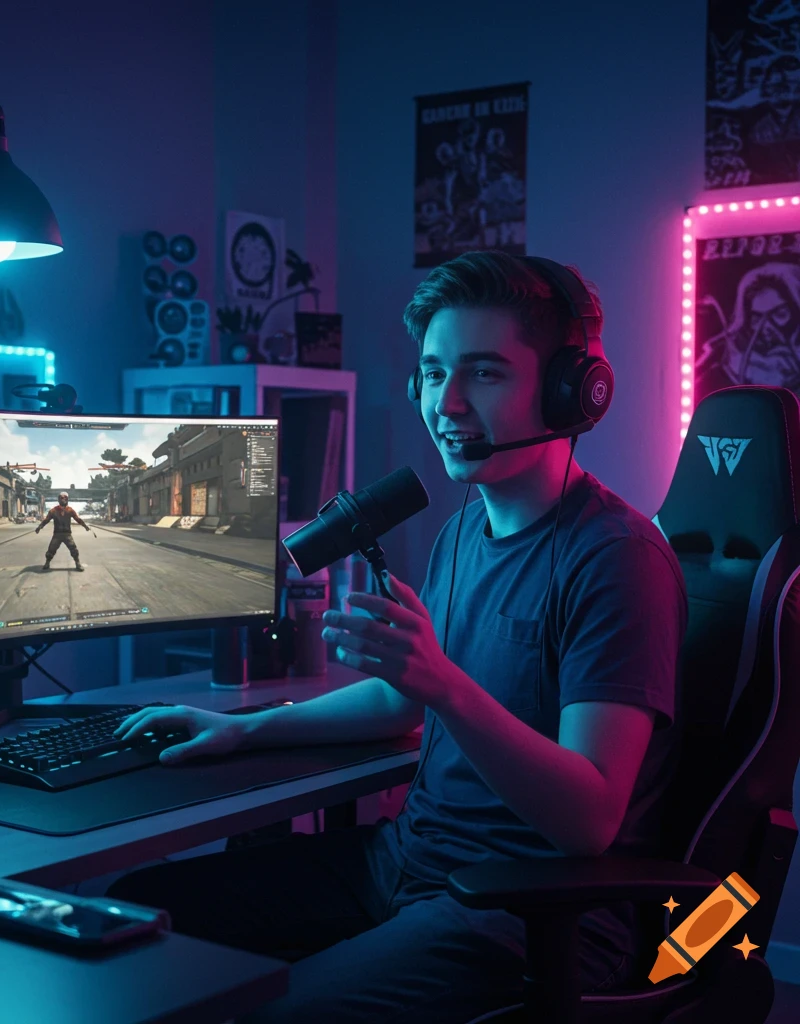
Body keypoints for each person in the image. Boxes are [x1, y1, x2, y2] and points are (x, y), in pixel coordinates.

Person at [106, 251, 687, 1023]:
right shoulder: (464, 531)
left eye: (483, 374)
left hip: (530, 911)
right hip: (409, 862)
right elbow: (400, 706)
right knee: (136, 917)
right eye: (433, 373)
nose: (446, 403)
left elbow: (588, 817)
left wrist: (439, 681)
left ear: (569, 393)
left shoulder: (617, 559)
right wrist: (241, 729)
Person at [35, 491, 89, 571]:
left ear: (67, 499)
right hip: (57, 534)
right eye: (61, 498)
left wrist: (85, 526)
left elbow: (78, 519)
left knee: (73, 549)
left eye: (65, 498)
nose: (63, 499)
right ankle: (47, 563)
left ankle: (77, 563)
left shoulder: (70, 510)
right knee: (51, 550)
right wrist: (40, 527)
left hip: (67, 534)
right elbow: (46, 520)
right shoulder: (53, 511)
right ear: (58, 499)